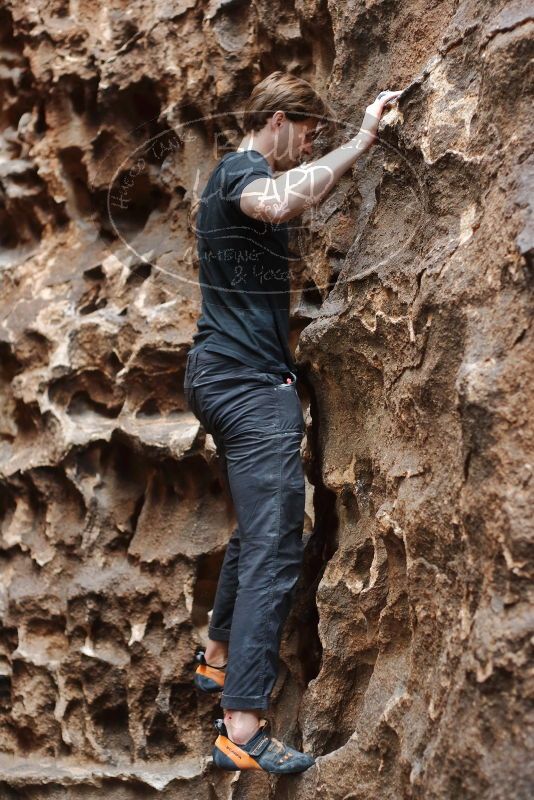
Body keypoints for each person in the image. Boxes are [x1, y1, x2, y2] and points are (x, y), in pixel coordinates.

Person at [183, 71, 402, 773]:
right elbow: (277, 201)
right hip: (247, 384)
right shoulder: (242, 170)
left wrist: (343, 155)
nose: (310, 147)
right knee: (279, 546)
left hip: (221, 373)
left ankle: (217, 657)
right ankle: (242, 727)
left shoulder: (232, 179)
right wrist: (365, 139)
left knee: (258, 528)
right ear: (277, 118)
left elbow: (302, 191)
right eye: (308, 133)